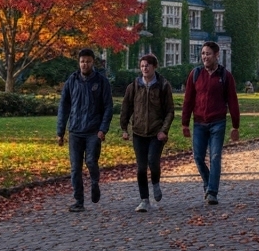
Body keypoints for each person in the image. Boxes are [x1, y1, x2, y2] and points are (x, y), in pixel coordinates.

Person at [182, 41, 241, 205]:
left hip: (218, 122)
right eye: (202, 54)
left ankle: (212, 192)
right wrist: (185, 123)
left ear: (216, 55)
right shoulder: (195, 74)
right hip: (199, 122)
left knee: (215, 157)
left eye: (208, 54)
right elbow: (188, 100)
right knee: (198, 157)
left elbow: (233, 102)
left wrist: (235, 126)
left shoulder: (225, 76)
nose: (204, 57)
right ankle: (208, 184)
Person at [57, 48, 113, 212]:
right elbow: (64, 106)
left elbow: (108, 107)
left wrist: (103, 129)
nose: (85, 64)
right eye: (82, 61)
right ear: (78, 62)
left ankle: (94, 183)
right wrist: (60, 131)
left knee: (90, 161)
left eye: (88, 61)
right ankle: (78, 201)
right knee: (75, 168)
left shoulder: (101, 81)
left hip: (93, 131)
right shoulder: (72, 81)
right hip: (75, 130)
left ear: (92, 62)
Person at [120, 53, 174, 212]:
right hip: (138, 132)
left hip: (156, 133)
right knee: (141, 167)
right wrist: (124, 128)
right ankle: (144, 200)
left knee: (153, 161)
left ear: (154, 67)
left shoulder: (163, 85)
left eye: (147, 66)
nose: (144, 69)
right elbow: (126, 108)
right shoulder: (134, 86)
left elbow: (170, 111)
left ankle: (156, 183)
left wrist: (164, 130)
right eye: (142, 66)